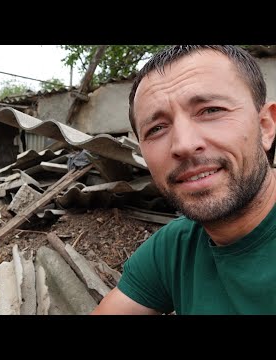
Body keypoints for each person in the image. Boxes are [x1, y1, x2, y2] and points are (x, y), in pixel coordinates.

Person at [91, 45, 276, 315]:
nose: (184, 144)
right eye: (156, 129)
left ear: (265, 127)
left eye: (211, 111)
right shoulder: (175, 248)